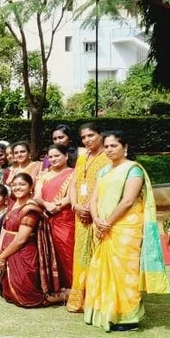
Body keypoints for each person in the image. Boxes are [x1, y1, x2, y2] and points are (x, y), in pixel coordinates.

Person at [84, 131, 170, 331]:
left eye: (114, 146)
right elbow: (93, 199)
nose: (109, 150)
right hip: (103, 226)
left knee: (124, 271)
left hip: (125, 228)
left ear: (125, 148)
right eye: (106, 146)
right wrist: (96, 219)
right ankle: (105, 312)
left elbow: (128, 200)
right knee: (102, 269)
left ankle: (127, 318)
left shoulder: (133, 170)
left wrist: (107, 223)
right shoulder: (103, 171)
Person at [0, 173, 62, 308]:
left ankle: (58, 296)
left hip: (23, 253)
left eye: (22, 184)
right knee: (9, 295)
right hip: (7, 251)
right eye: (14, 185)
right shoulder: (13, 204)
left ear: (31, 187)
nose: (17, 187)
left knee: (25, 297)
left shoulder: (30, 208)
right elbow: (5, 229)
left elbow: (21, 239)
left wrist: (2, 256)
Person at [66, 123, 111, 313]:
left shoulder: (108, 157)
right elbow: (73, 184)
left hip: (99, 216)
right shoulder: (82, 158)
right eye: (83, 137)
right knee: (81, 256)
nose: (87, 140)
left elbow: (109, 188)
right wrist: (75, 205)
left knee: (98, 256)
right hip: (80, 215)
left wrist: (91, 211)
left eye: (91, 135)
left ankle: (97, 300)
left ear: (101, 134)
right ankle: (79, 300)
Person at [34, 144, 75, 291]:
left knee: (67, 251)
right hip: (46, 217)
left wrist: (55, 207)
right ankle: (55, 287)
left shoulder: (73, 174)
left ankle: (72, 287)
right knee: (48, 252)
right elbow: (37, 197)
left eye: (57, 155)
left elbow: (71, 197)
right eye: (50, 157)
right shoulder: (43, 176)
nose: (53, 159)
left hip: (65, 218)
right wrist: (47, 205)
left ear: (66, 156)